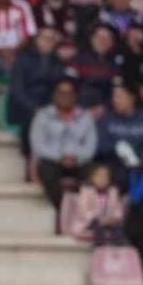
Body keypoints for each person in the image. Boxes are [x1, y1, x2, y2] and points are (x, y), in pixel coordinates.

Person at [30, 76, 98, 211]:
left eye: (68, 93)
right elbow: (38, 145)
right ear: (54, 95)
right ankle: (63, 209)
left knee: (93, 172)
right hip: (53, 160)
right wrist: (60, 157)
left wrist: (76, 158)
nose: (64, 97)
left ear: (75, 96)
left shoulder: (85, 116)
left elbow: (91, 146)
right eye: (61, 93)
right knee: (46, 170)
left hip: (78, 161)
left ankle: (84, 210)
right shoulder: (43, 115)